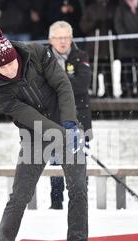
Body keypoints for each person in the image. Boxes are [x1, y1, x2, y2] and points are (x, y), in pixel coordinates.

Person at [0, 26, 89, 241]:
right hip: (33, 134)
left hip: (65, 121)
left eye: (11, 64)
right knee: (19, 196)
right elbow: (31, 116)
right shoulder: (0, 91)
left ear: (16, 55)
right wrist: (60, 133)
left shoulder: (36, 53)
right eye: (2, 68)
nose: (9, 70)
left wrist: (70, 123)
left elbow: (62, 85)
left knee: (78, 189)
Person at [48, 20, 93, 210]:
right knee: (56, 165)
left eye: (66, 37)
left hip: (79, 120)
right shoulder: (43, 59)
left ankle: (80, 204)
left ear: (71, 38)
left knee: (79, 165)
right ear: (51, 39)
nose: (63, 42)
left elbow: (82, 85)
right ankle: (56, 204)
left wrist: (57, 85)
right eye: (59, 38)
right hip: (53, 120)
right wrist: (67, 83)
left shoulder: (81, 56)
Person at [114, 0, 138, 98]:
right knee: (126, 68)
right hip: (125, 44)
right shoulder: (121, 7)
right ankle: (127, 90)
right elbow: (118, 23)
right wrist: (126, 37)